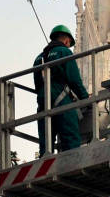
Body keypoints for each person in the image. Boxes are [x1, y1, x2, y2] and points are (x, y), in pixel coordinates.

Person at [34, 25, 89, 155]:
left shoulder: (38, 59)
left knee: (46, 144)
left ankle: (45, 168)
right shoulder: (64, 52)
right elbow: (74, 79)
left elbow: (37, 84)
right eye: (69, 44)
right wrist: (85, 98)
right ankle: (73, 168)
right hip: (61, 101)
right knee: (70, 140)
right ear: (66, 41)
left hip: (42, 103)